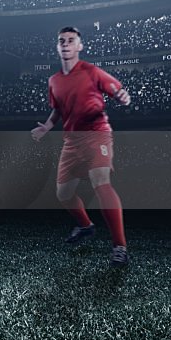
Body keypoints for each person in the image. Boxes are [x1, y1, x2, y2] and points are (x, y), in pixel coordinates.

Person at [31, 26, 131, 267]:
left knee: (101, 182)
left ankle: (120, 247)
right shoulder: (53, 80)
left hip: (97, 134)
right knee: (63, 194)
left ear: (79, 46)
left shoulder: (91, 71)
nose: (66, 44)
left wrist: (121, 95)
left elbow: (115, 88)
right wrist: (46, 126)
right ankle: (86, 226)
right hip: (71, 141)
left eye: (71, 40)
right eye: (61, 40)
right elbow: (57, 108)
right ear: (57, 47)